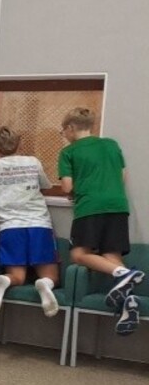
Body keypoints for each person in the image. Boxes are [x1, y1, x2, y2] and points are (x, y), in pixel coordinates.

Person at [58, 107, 141, 334]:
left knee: (78, 254)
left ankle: (125, 274)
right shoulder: (111, 144)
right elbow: (122, 176)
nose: (64, 135)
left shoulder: (69, 152)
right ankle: (129, 301)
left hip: (90, 207)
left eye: (63, 130)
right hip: (118, 206)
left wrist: (78, 189)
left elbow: (66, 186)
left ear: (71, 128)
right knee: (111, 256)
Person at [0, 126, 61, 317]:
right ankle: (44, 284)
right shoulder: (32, 161)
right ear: (19, 144)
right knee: (51, 275)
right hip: (39, 225)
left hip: (10, 227)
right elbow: (45, 186)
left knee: (17, 276)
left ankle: (5, 281)